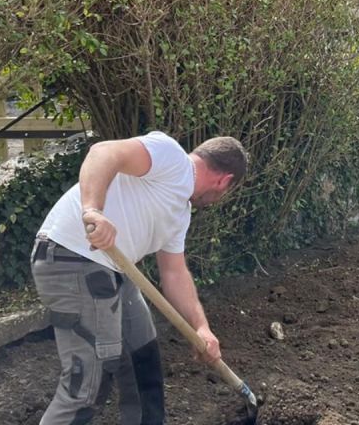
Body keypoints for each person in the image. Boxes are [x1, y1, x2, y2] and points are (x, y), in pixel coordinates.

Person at [31, 131, 248, 425]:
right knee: (89, 384)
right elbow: (102, 152)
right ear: (224, 181)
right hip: (73, 257)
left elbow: (174, 273)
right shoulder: (171, 157)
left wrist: (201, 327)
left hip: (113, 269)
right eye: (226, 192)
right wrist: (93, 211)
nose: (219, 199)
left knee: (142, 361)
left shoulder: (180, 213)